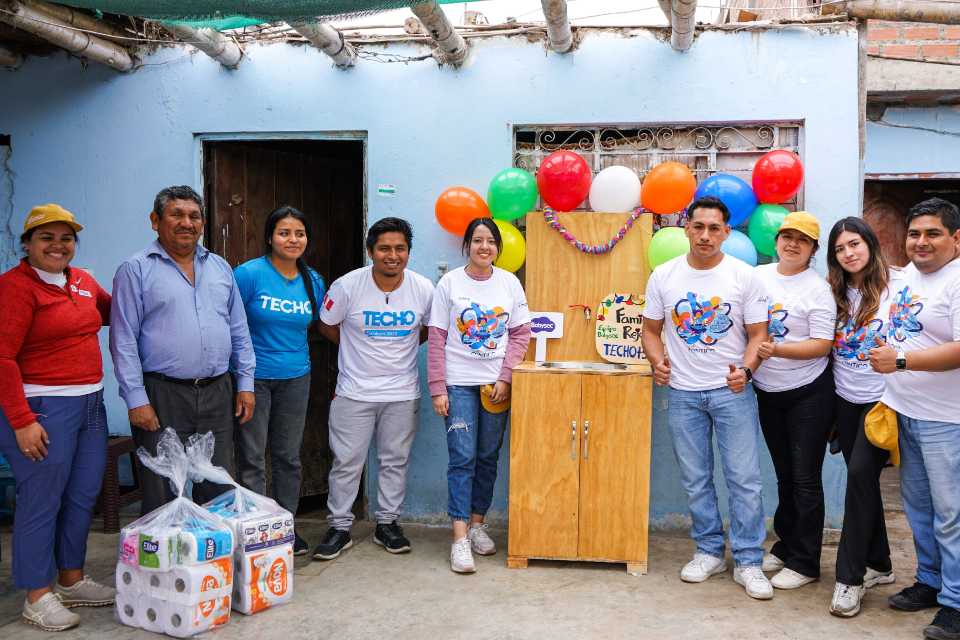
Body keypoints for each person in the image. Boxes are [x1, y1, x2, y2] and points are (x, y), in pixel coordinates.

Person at [641, 195, 773, 600]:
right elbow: (649, 330)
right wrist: (658, 361)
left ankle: (749, 561)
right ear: (686, 230)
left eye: (714, 228)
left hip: (731, 393)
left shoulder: (743, 276)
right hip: (683, 394)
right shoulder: (664, 275)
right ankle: (709, 551)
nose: (705, 235)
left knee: (744, 480)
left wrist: (747, 372)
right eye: (698, 227)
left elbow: (758, 336)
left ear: (726, 232)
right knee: (696, 480)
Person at [0, 205, 116, 631]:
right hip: (42, 408)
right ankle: (36, 594)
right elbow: (2, 358)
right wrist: (22, 420)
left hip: (91, 404)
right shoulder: (14, 288)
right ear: (27, 244)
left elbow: (111, 311)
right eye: (46, 237)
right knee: (40, 500)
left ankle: (70, 579)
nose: (57, 246)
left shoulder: (82, 281)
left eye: (65, 238)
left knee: (82, 493)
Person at [110, 185, 256, 514]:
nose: (186, 223)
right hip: (161, 393)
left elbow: (239, 331)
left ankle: (212, 562)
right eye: (176, 214)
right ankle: (164, 565)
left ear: (202, 223)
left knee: (217, 484)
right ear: (155, 220)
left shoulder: (220, 268)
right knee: (162, 488)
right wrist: (136, 399)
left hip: (217, 391)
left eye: (194, 216)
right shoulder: (135, 269)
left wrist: (245, 384)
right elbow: (123, 339)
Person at [312, 217, 434, 561]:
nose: (392, 255)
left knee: (395, 461)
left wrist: (402, 348)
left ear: (408, 252)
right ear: (370, 252)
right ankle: (338, 528)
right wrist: (356, 349)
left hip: (402, 392)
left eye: (399, 249)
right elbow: (326, 325)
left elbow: (427, 330)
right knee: (346, 462)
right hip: (354, 392)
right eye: (384, 248)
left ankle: (388, 524)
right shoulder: (347, 286)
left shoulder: (423, 288)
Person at [870, 198, 960, 640]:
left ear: (956, 239)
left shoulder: (958, 281)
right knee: (919, 508)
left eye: (933, 234)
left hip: (948, 419)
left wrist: (900, 361)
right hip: (905, 412)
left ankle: (956, 602)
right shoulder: (904, 278)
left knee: (951, 513)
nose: (921, 242)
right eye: (915, 234)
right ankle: (930, 581)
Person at [427, 218, 531, 574]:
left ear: (498, 248)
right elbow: (437, 338)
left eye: (490, 241)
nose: (484, 247)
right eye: (477, 241)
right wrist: (438, 388)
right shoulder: (450, 283)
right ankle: (458, 539)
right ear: (467, 246)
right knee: (462, 458)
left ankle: (477, 525)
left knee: (487, 457)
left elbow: (520, 335)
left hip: (496, 386)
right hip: (458, 384)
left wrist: (506, 377)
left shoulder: (510, 283)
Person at [751, 212, 837, 591]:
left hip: (809, 394)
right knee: (785, 475)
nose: (792, 244)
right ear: (776, 241)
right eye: (786, 236)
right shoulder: (757, 277)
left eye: (802, 240)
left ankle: (806, 562)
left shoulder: (818, 289)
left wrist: (777, 349)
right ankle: (786, 546)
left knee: (805, 479)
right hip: (768, 393)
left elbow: (822, 345)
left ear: (813, 250)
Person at [234, 206, 325, 556]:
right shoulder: (249, 275)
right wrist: (240, 379)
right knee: (253, 459)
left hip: (296, 378)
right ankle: (255, 529)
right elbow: (231, 325)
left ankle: (286, 527)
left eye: (299, 233)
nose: (292, 239)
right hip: (252, 380)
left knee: (288, 457)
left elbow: (319, 323)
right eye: (285, 233)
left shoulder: (312, 280)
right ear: (270, 236)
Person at [826, 217, 900, 617]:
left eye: (854, 244)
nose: (848, 253)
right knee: (864, 483)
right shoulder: (835, 293)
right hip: (845, 402)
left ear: (870, 244)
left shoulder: (896, 289)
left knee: (858, 480)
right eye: (840, 248)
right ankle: (882, 563)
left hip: (881, 404)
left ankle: (849, 579)